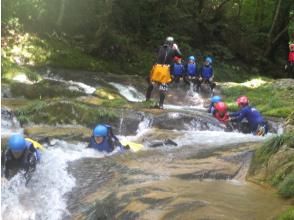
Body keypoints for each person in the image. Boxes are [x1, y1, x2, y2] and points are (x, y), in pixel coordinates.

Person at [146, 36, 182, 109]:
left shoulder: (160, 47)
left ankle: (147, 100)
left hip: (157, 68)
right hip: (165, 69)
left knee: (152, 84)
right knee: (163, 87)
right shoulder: (173, 50)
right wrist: (176, 48)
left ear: (165, 42)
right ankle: (161, 104)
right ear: (172, 43)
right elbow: (180, 56)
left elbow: (158, 53)